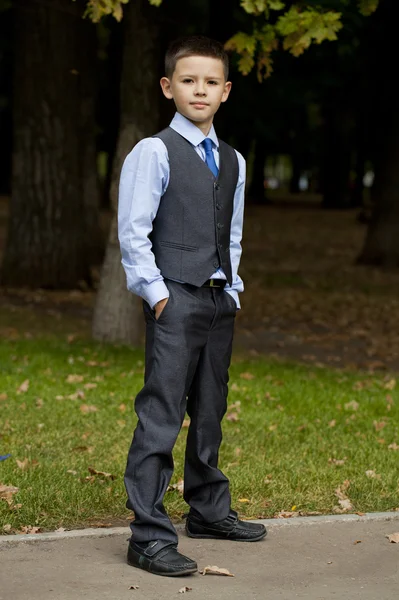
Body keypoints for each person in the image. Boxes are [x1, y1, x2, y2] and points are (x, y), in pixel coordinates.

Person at [118, 35, 267, 578]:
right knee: (161, 411)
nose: (199, 90)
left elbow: (232, 231)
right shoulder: (153, 151)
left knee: (209, 408)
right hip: (174, 298)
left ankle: (207, 510)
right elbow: (134, 233)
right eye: (188, 80)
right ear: (168, 87)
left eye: (210, 82)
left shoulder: (233, 160)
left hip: (217, 296)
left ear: (225, 91)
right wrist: (157, 295)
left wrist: (232, 288)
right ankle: (149, 535)